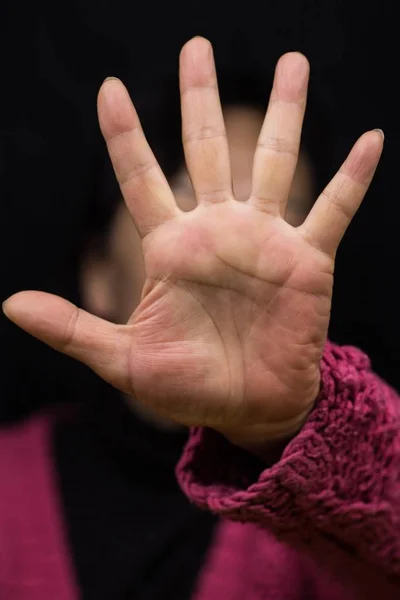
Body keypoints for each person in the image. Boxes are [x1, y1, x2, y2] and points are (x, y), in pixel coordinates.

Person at [1, 36, 398, 600]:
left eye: (278, 215)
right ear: (96, 274)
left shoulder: (324, 523)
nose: (231, 248)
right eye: (187, 197)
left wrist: (285, 429)